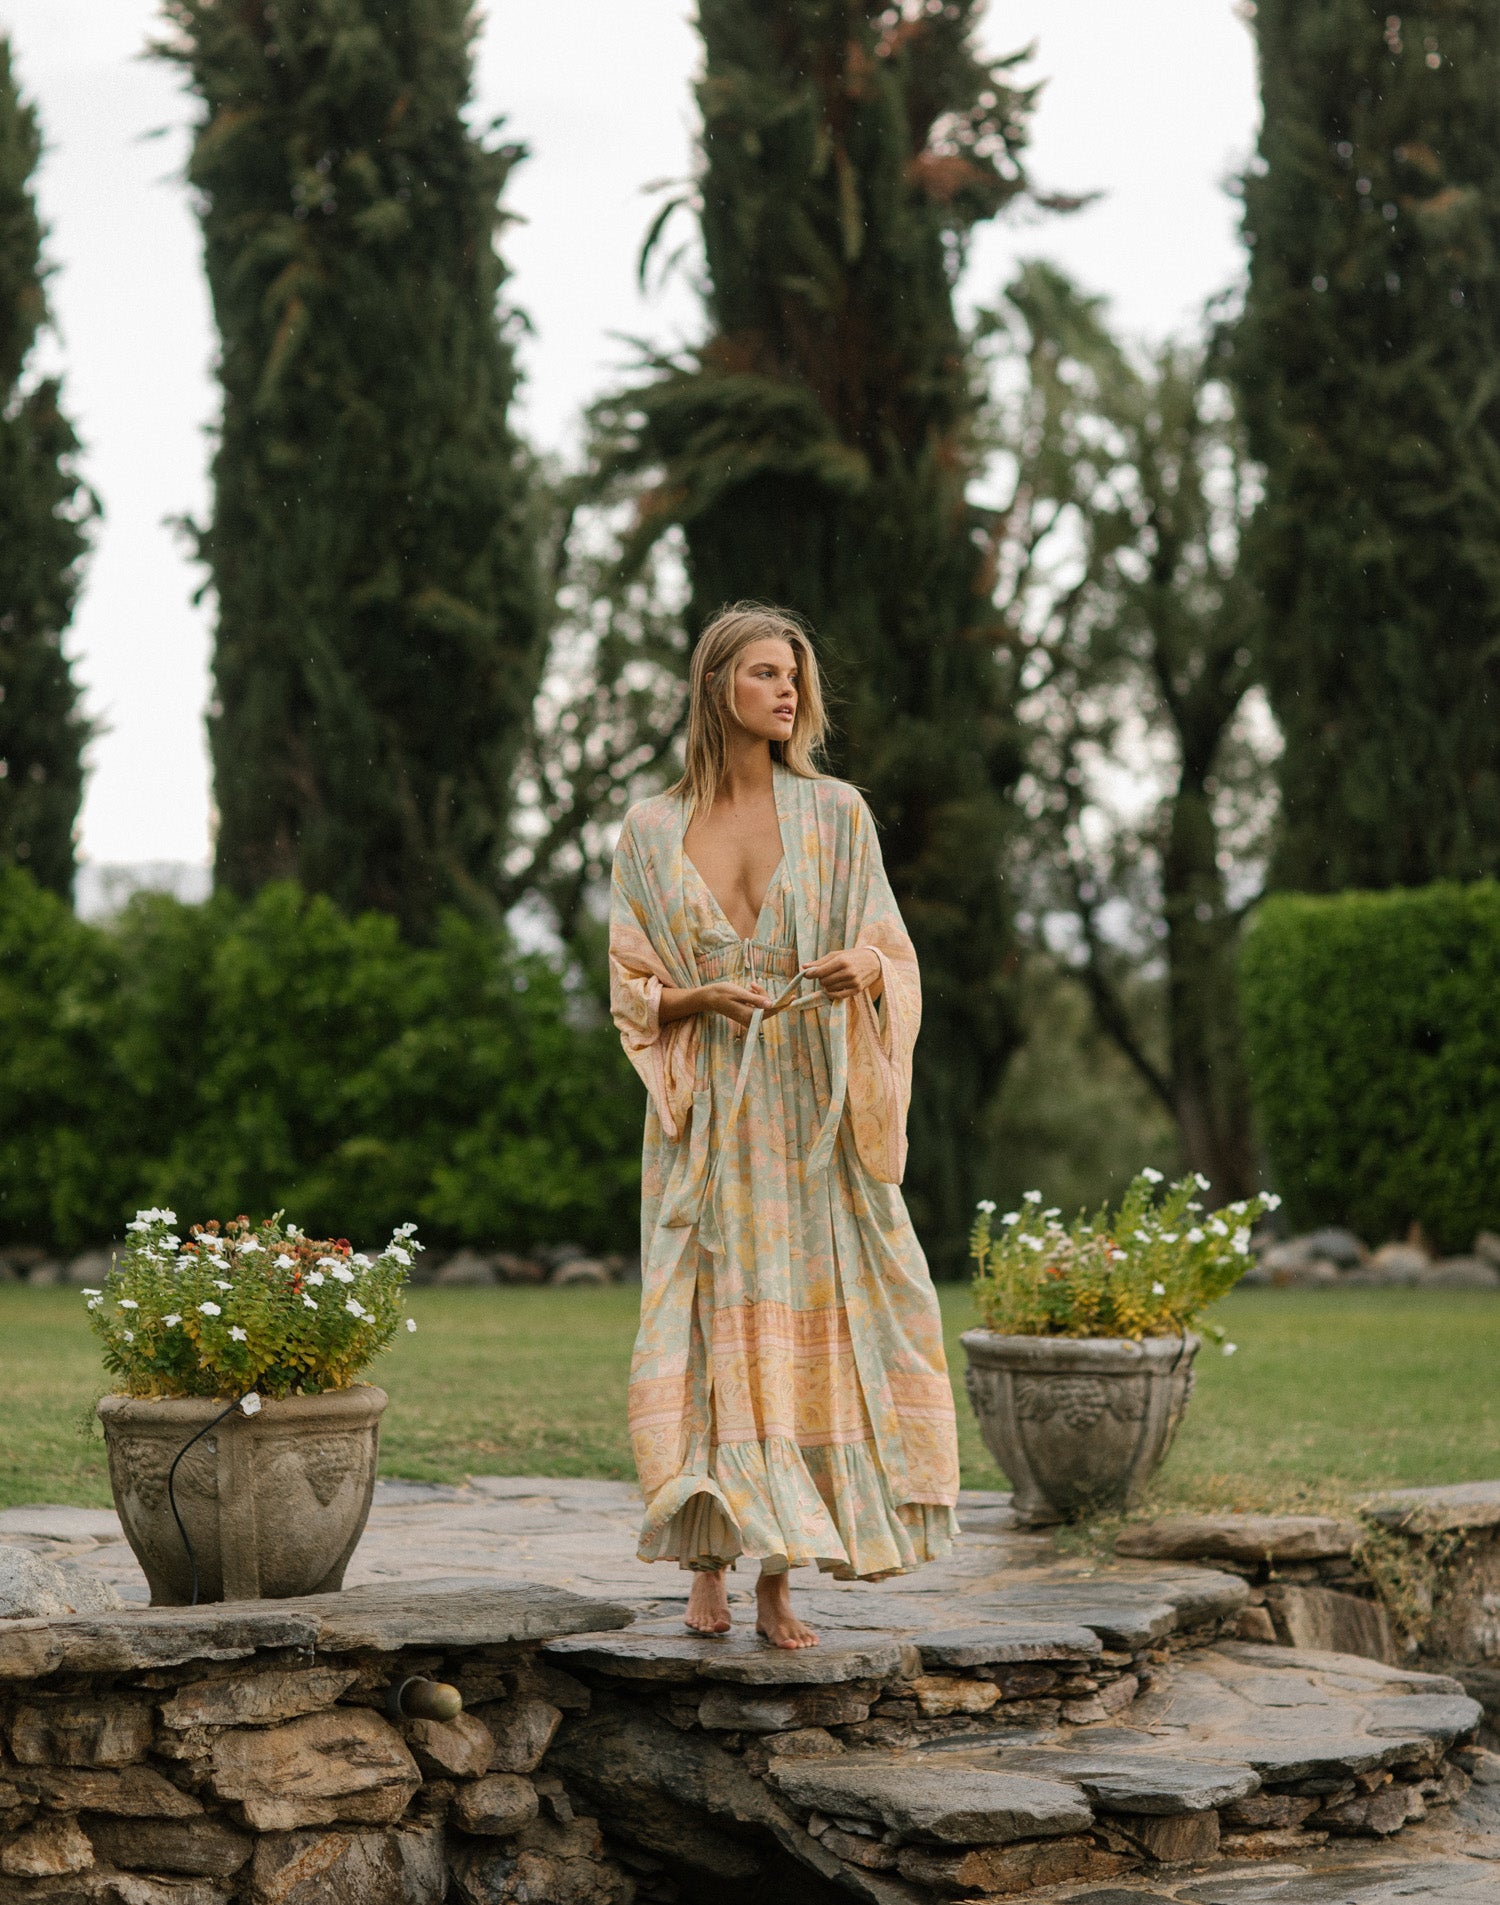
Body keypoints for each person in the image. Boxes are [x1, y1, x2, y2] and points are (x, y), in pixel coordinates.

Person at [608, 602, 959, 1649]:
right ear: (721, 686)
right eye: (766, 672)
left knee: (817, 1323)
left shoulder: (837, 814)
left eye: (796, 673)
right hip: (711, 1118)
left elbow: (890, 954)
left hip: (814, 1107)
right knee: (709, 1318)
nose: (789, 690)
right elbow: (630, 986)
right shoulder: (650, 829)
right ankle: (708, 1562)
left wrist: (865, 970)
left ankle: (778, 1579)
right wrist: (694, 1000)